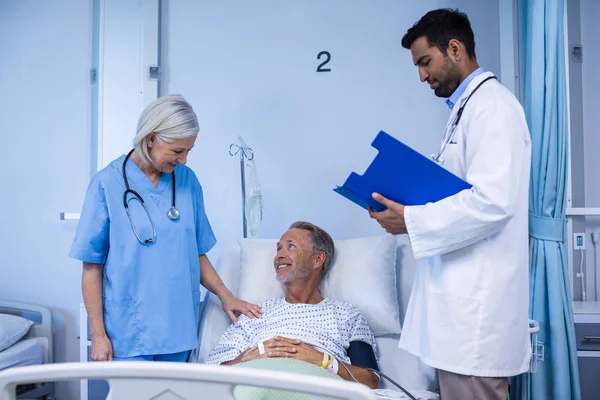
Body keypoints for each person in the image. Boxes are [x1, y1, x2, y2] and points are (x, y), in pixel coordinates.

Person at [368, 9, 532, 400]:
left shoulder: (494, 108)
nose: (422, 76)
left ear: (455, 49)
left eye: (426, 62)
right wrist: (401, 207)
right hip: (457, 318)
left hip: (476, 319)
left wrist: (410, 218)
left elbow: (493, 203)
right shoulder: (465, 110)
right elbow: (455, 194)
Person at [69, 95, 262, 362]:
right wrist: (98, 334)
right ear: (151, 139)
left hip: (177, 326)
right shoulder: (106, 184)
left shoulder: (187, 182)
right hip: (129, 329)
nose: (183, 160)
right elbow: (92, 268)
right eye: (177, 151)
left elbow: (195, 252)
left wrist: (226, 296)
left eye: (188, 151)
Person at [206, 221, 380, 390]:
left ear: (317, 260)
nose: (279, 255)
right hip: (258, 384)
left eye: (291, 246)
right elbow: (209, 374)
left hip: (318, 387)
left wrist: (321, 360)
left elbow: (370, 380)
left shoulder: (347, 314)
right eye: (279, 248)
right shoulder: (254, 313)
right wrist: (245, 358)